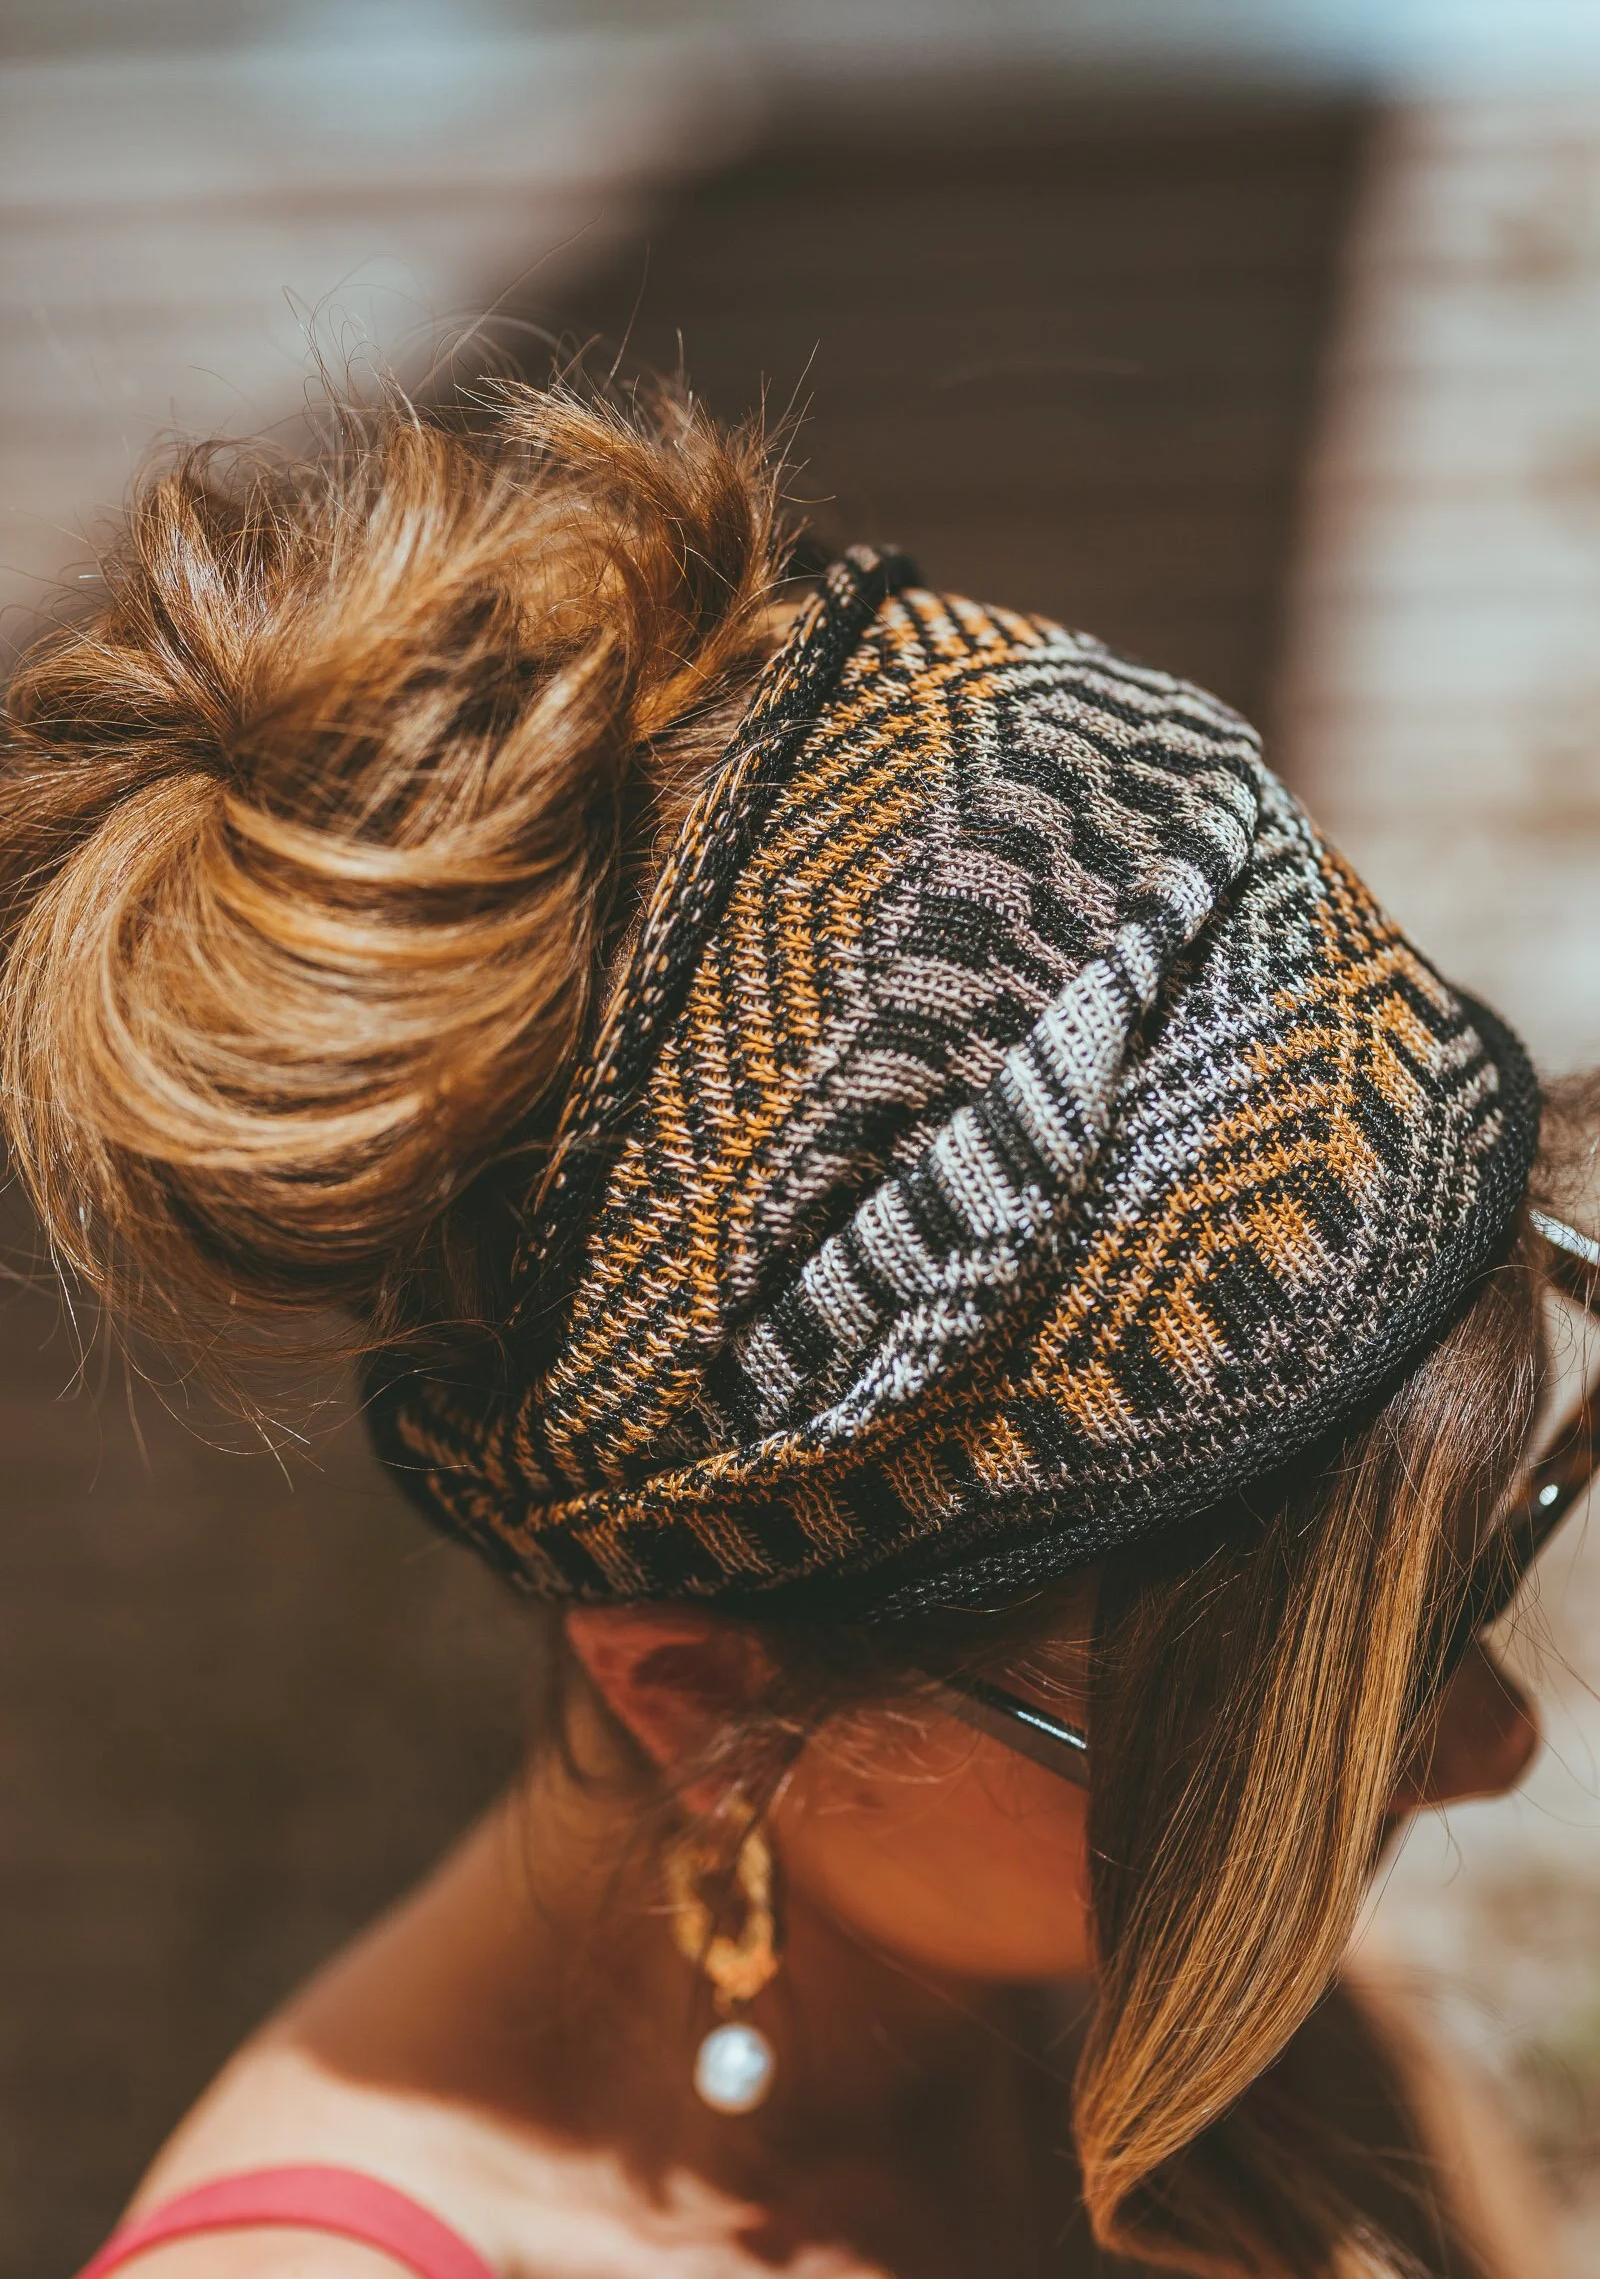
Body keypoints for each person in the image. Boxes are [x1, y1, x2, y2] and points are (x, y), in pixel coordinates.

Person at [2, 380, 1594, 2279]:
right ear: (705, 1704)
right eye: (1255, 1705)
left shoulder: (1207, 2032)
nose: (1491, 1746)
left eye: (1462, 1583)